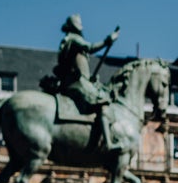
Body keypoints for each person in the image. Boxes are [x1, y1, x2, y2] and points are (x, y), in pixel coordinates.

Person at [47, 14, 122, 154]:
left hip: (77, 81)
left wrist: (90, 80)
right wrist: (108, 40)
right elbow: (90, 47)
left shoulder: (68, 40)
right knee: (103, 103)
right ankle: (108, 143)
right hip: (76, 82)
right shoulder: (74, 39)